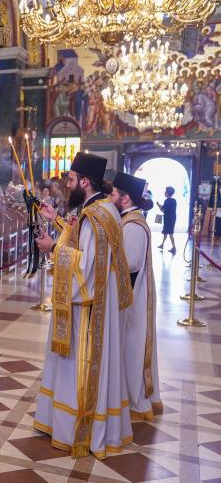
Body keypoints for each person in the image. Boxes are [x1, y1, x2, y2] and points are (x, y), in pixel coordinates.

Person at [34, 152, 133, 459]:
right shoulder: (105, 209)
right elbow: (83, 242)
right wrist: (57, 220)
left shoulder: (94, 216)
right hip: (102, 305)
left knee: (80, 367)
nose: (68, 184)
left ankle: (79, 429)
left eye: (72, 179)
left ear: (85, 182)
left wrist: (52, 249)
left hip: (89, 312)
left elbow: (86, 267)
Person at [110, 172, 162, 421]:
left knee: (132, 348)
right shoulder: (127, 220)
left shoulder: (133, 225)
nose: (111, 197)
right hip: (129, 296)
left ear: (126, 197)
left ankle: (135, 402)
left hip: (132, 300)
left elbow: (129, 264)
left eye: (114, 194)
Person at [157, 187, 177, 253]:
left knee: (170, 233)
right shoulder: (174, 201)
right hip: (172, 218)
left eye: (165, 192)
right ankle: (162, 244)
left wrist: (158, 205)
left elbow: (163, 209)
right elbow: (166, 210)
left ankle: (174, 247)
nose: (164, 193)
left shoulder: (167, 201)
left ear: (168, 193)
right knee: (166, 232)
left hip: (168, 218)